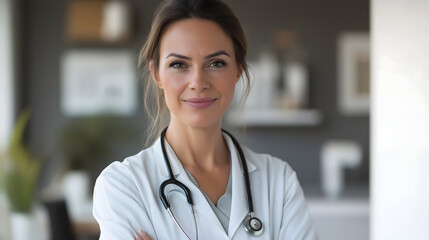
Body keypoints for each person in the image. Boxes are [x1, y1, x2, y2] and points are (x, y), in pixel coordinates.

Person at [93, 0, 318, 239]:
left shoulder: (278, 181)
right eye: (178, 64)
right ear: (157, 74)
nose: (198, 82)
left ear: (238, 71)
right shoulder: (123, 186)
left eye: (216, 63)